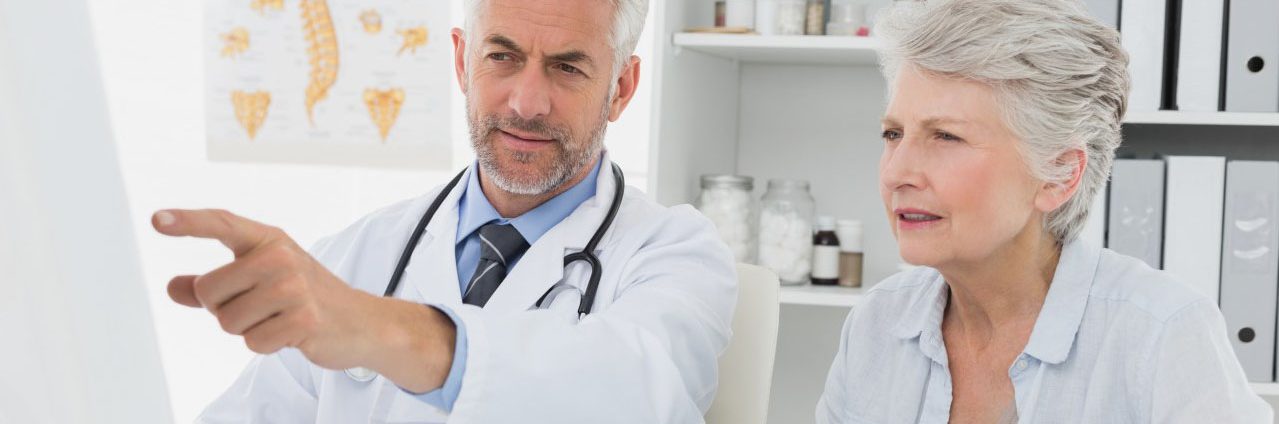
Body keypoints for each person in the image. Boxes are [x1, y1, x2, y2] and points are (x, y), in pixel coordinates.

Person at [153, 0, 738, 422]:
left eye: (567, 66)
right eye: (503, 57)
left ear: (621, 88)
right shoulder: (360, 251)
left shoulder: (677, 257)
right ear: (462, 62)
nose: (526, 102)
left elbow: (635, 396)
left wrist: (373, 329)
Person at [816, 0, 1272, 422]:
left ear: (1058, 175)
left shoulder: (1163, 334)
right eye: (893, 134)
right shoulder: (878, 322)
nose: (898, 173)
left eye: (946, 137)